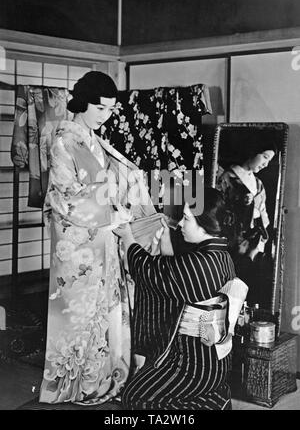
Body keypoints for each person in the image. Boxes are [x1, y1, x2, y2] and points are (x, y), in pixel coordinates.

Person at [39, 71, 157, 405]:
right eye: (101, 108)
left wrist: (128, 191)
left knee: (106, 309)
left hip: (103, 238)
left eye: (110, 110)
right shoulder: (63, 140)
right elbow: (65, 198)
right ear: (82, 102)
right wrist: (110, 210)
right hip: (77, 243)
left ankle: (106, 375)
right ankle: (77, 383)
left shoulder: (93, 139)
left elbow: (114, 180)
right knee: (79, 312)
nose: (106, 116)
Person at [114, 188, 242, 410]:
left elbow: (151, 271)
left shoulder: (200, 262)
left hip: (193, 365)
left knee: (135, 399)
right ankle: (214, 400)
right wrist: (165, 239)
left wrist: (127, 237)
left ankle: (210, 405)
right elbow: (175, 276)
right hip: (214, 361)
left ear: (206, 224)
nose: (181, 224)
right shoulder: (220, 256)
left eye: (186, 218)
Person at [216, 147, 275, 260]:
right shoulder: (228, 176)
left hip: (254, 239)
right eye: (265, 157)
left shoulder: (258, 184)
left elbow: (263, 213)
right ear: (252, 152)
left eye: (268, 161)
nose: (265, 164)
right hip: (232, 237)